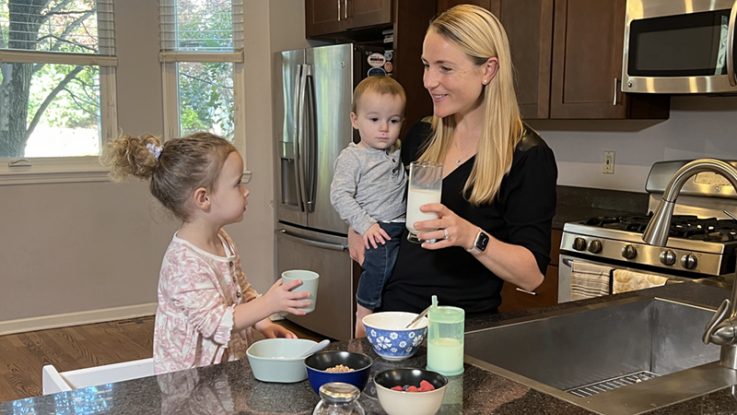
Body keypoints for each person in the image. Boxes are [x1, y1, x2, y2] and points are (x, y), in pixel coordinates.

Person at [348, 4, 557, 315]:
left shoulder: (528, 156)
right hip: (391, 315)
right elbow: (381, 196)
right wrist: (356, 227)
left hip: (458, 327)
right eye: (426, 65)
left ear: (488, 70)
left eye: (444, 68)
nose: (429, 81)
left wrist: (469, 236)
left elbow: (532, 275)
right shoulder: (422, 135)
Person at [101, 132, 312, 374]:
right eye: (237, 184)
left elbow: (241, 289)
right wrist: (269, 304)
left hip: (222, 370)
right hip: (188, 378)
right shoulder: (183, 262)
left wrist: (263, 322)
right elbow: (215, 322)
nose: (246, 191)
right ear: (203, 198)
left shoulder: (222, 239)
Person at [330, 75, 407, 337]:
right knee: (377, 267)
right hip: (377, 227)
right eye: (374, 119)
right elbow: (339, 195)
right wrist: (364, 225)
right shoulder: (353, 157)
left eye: (393, 121)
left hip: (401, 225)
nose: (384, 128)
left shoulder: (397, 149)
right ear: (355, 120)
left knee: (394, 273)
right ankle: (363, 314)